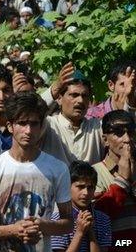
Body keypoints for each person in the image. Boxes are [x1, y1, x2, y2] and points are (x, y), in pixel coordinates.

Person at [0, 92, 73, 252]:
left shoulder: (58, 169)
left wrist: (43, 226)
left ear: (41, 126)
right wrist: (12, 230)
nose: (28, 130)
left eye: (34, 124)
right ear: (10, 126)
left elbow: (68, 223)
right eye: (22, 123)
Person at [91, 110, 136, 249]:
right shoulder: (94, 173)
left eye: (131, 132)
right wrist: (122, 179)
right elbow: (98, 217)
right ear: (105, 140)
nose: (127, 139)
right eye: (118, 132)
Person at [50, 161, 112, 252]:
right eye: (80, 187)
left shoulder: (103, 220)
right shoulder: (58, 221)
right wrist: (80, 232)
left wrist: (91, 233)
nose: (86, 193)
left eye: (90, 188)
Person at [42, 76, 105, 165]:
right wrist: (51, 92)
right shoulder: (48, 125)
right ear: (59, 99)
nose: (80, 100)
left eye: (84, 96)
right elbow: (28, 113)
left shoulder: (97, 127)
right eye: (74, 95)